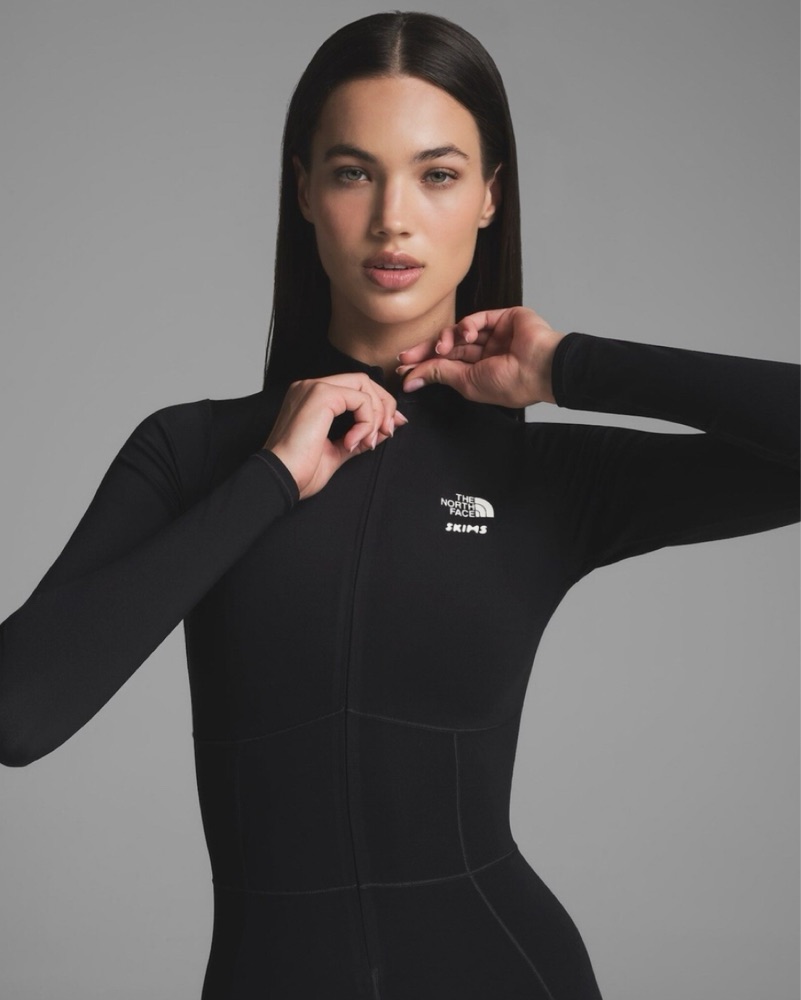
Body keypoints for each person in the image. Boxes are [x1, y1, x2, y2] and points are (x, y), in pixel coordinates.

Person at [0, 10, 798, 999]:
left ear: (491, 197)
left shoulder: (553, 478)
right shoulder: (194, 453)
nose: (392, 218)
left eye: (437, 174)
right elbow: (19, 713)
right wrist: (270, 478)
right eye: (353, 172)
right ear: (303, 189)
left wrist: (571, 366)